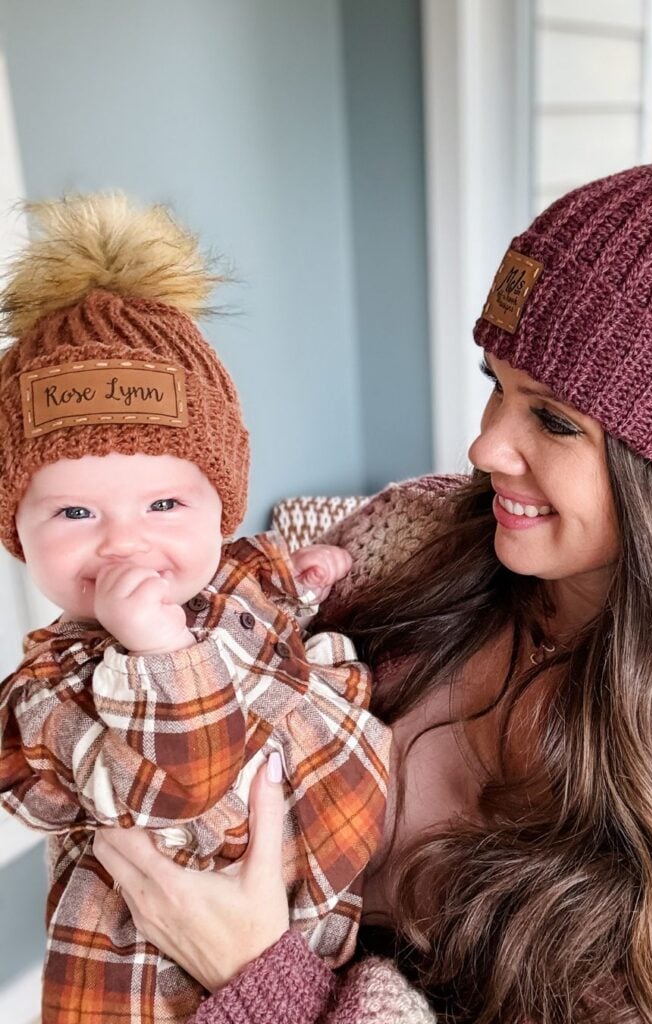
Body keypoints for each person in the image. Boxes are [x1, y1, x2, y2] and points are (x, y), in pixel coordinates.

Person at [94, 4, 652, 1023]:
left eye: (553, 419)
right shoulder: (408, 535)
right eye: (496, 384)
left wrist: (264, 979)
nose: (482, 446)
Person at [0, 196, 391, 1024]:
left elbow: (265, 590)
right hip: (167, 987)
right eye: (75, 515)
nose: (125, 544)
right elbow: (182, 789)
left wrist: (305, 576)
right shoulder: (53, 690)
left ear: (221, 505)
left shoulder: (226, 580)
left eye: (165, 505)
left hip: (322, 931)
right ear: (17, 535)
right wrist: (157, 656)